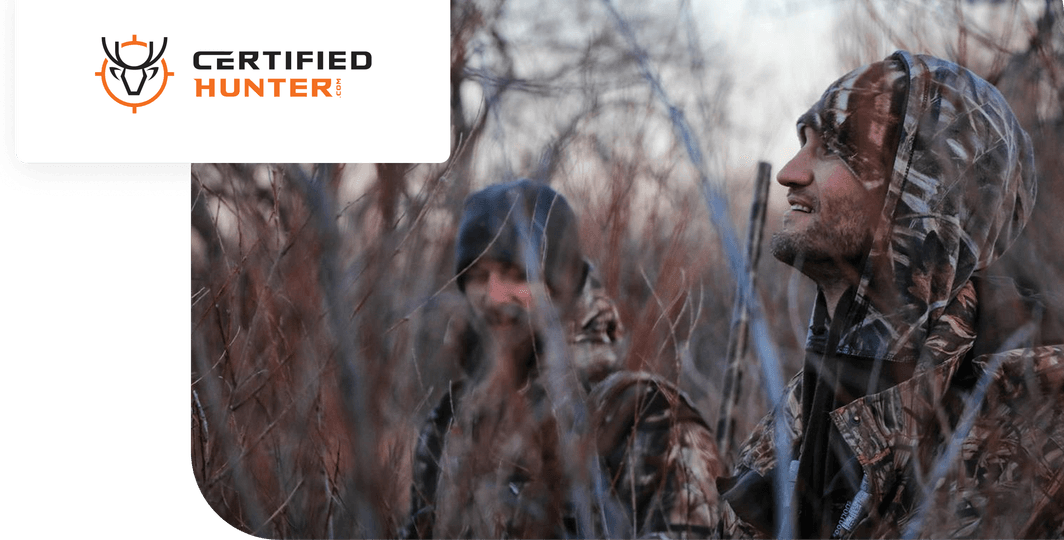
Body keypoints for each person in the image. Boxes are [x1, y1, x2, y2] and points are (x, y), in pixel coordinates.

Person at [718, 51, 1063, 539]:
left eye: (831, 149)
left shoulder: (1031, 420)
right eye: (803, 143)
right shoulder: (794, 411)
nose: (790, 172)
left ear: (925, 189)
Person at [399, 179, 726, 540]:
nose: (492, 296)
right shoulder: (450, 420)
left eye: (515, 274)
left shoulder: (643, 416)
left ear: (562, 285)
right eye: (476, 276)